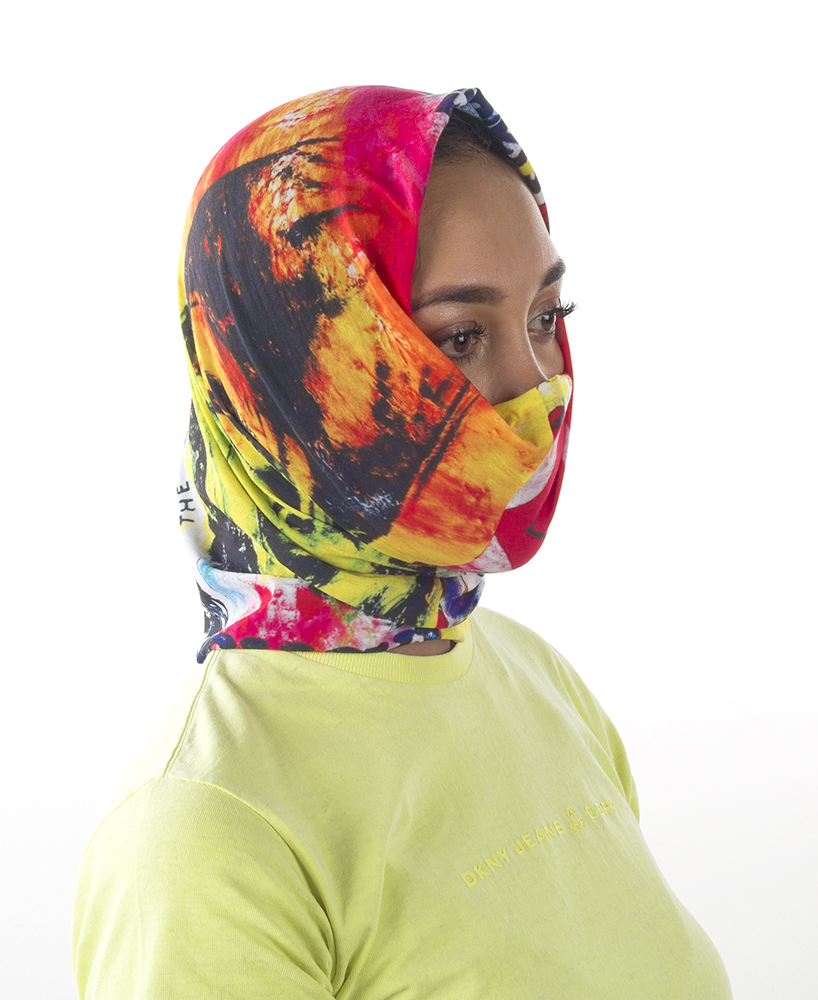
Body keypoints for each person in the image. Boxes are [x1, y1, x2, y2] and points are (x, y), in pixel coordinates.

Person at [72, 85, 732, 998]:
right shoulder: (205, 835)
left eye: (547, 317)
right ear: (292, 369)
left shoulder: (538, 680)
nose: (537, 388)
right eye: (460, 336)